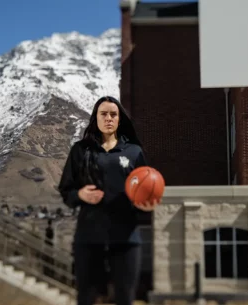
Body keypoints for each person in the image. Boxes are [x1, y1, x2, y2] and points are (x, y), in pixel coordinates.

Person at [57, 96, 158, 305]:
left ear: (120, 120)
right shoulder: (80, 150)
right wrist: (80, 195)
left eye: (114, 114)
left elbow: (147, 191)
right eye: (104, 114)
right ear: (96, 118)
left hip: (126, 239)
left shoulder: (134, 152)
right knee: (86, 298)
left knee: (124, 298)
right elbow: (66, 190)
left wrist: (146, 205)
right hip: (89, 237)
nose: (109, 118)